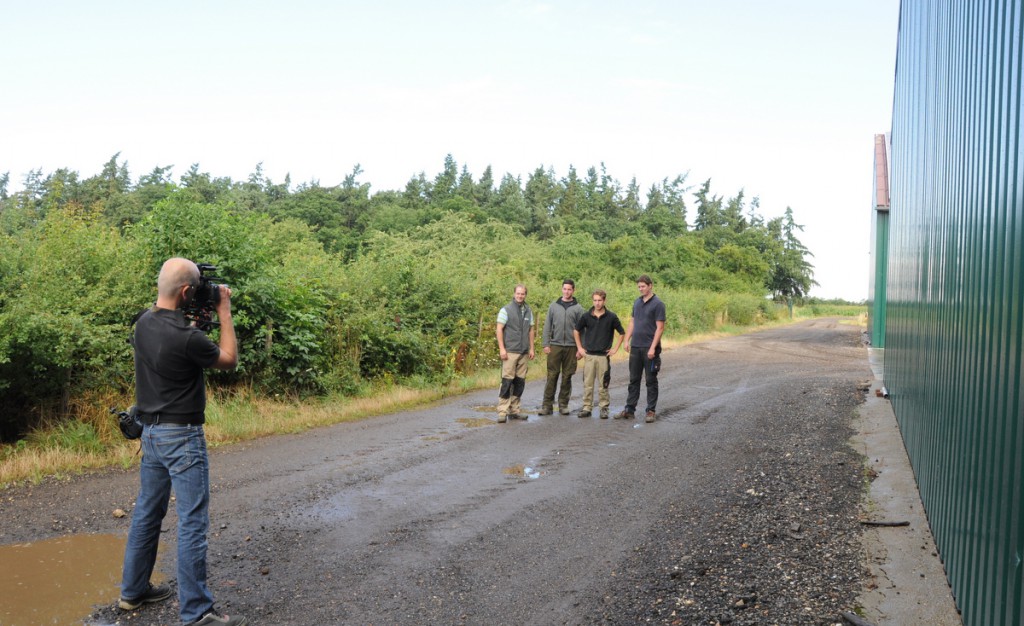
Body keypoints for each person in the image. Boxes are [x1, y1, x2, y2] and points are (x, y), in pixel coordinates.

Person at [119, 258, 247, 626]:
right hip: (182, 436)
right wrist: (223, 311)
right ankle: (196, 613)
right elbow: (228, 359)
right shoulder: (189, 337)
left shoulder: (143, 323)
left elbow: (170, 325)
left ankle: (133, 591)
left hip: (151, 434)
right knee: (192, 521)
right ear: (188, 292)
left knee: (147, 512)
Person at [616, 275, 666, 423]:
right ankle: (629, 410)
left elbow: (660, 328)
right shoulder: (637, 302)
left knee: (651, 381)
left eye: (643, 286)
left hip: (650, 349)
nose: (641, 289)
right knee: (633, 380)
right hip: (636, 347)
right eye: (639, 286)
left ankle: (650, 411)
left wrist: (652, 348)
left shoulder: (658, 304)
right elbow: (632, 322)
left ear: (650, 286)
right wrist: (626, 340)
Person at [573, 290, 626, 419]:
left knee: (604, 384)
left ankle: (604, 408)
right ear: (593, 301)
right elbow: (576, 331)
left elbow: (622, 333)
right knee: (588, 383)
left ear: (604, 301)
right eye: (595, 300)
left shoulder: (611, 317)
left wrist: (615, 349)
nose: (597, 303)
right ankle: (587, 407)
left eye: (599, 300)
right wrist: (580, 348)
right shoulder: (586, 316)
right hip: (589, 356)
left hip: (603, 356)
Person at [538, 279, 585, 415]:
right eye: (565, 289)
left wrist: (581, 349)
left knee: (567, 376)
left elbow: (583, 330)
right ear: (561, 289)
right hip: (555, 346)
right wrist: (546, 344)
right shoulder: (553, 306)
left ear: (573, 290)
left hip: (572, 347)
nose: (567, 291)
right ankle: (547, 405)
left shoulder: (578, 309)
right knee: (552, 375)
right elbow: (547, 326)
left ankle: (563, 405)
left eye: (569, 289)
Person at [495, 284, 536, 423]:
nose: (520, 296)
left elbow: (531, 330)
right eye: (518, 293)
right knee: (507, 381)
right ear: (514, 294)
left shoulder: (528, 310)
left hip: (524, 352)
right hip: (510, 351)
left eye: (523, 294)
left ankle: (515, 410)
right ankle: (502, 411)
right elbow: (499, 329)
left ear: (525, 295)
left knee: (520, 382)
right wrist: (502, 349)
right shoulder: (505, 310)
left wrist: (531, 348)